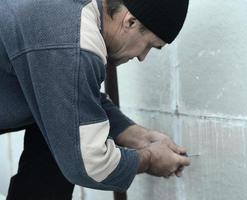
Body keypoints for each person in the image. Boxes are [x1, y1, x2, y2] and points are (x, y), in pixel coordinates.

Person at [0, 0, 190, 199]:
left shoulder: (73, 15)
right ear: (130, 22)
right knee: (73, 140)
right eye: (149, 45)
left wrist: (138, 136)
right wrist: (149, 159)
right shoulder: (71, 38)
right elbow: (91, 165)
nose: (142, 57)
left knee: (67, 129)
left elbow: (72, 96)